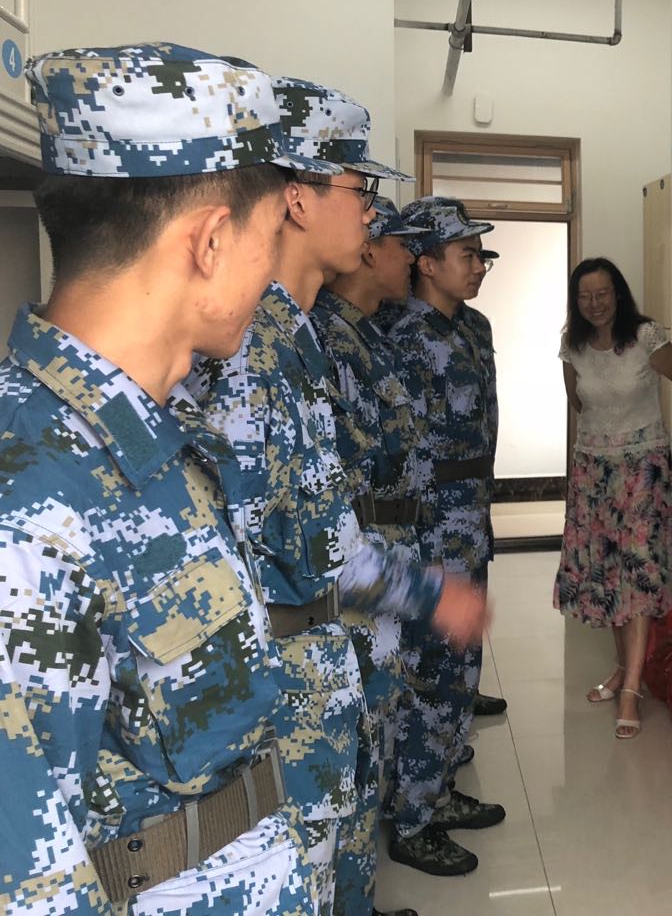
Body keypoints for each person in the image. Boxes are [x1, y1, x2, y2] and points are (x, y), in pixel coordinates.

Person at [0, 43, 326, 914]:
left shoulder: (152, 433)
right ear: (212, 242)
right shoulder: (30, 496)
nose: (272, 269)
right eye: (269, 235)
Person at [187, 83, 490, 915]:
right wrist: (429, 593)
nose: (372, 212)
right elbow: (297, 539)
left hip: (337, 644)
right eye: (359, 189)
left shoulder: (293, 331)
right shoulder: (250, 344)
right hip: (294, 661)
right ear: (296, 199)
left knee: (344, 849)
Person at [309, 196, 429, 883]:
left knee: (379, 722)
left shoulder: (367, 333)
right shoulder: (325, 338)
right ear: (368, 250)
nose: (410, 258)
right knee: (361, 733)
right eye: (400, 244)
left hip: (386, 551)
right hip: (358, 563)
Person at [386, 196, 507, 875]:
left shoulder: (474, 326)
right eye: (467, 254)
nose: (479, 265)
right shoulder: (402, 335)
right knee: (429, 670)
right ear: (426, 262)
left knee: (460, 662)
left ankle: (440, 789)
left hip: (470, 513)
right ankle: (412, 820)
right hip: (430, 523)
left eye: (482, 254)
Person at [554, 256, 672, 739]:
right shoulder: (572, 345)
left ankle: (632, 689)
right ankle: (623, 668)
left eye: (602, 294)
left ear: (618, 294)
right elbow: (577, 403)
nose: (594, 303)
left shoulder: (646, 337)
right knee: (607, 573)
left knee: (636, 574)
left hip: (642, 470)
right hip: (593, 471)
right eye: (585, 296)